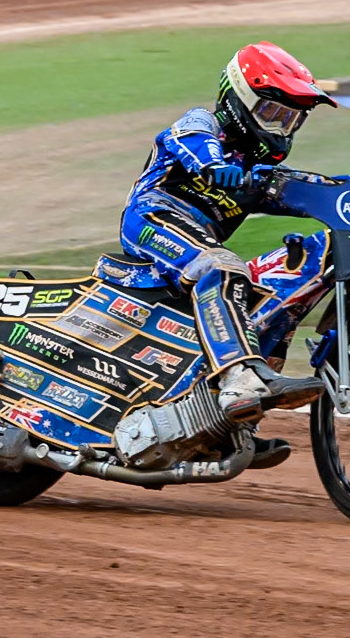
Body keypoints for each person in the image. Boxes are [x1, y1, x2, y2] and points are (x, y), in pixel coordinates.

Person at [116, 43, 335, 421]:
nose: (281, 127)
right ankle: (237, 379)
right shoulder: (202, 123)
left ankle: (233, 421)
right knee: (221, 265)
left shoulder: (255, 172)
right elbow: (193, 141)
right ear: (240, 98)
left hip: (197, 242)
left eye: (291, 119)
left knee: (311, 262)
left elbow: (323, 188)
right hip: (151, 219)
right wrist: (214, 166)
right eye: (273, 113)